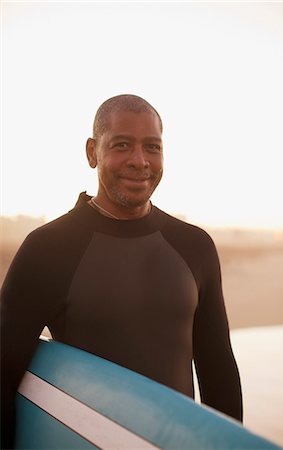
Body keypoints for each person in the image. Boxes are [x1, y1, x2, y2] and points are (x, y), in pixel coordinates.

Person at [1, 94, 243, 448]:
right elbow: (4, 374)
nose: (140, 161)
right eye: (122, 145)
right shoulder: (47, 249)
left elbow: (219, 372)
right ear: (91, 152)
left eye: (152, 147)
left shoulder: (195, 246)